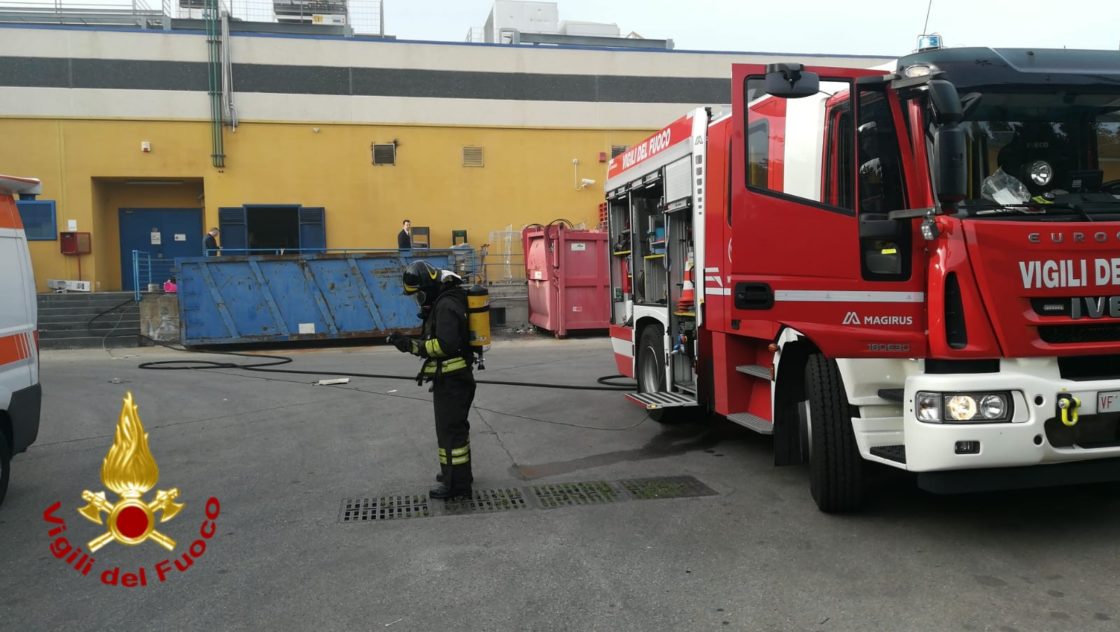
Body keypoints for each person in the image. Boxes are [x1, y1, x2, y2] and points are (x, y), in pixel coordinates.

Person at [387, 260, 475, 500]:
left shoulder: (446, 306)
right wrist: (408, 343)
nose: (420, 300)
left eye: (420, 295)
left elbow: (445, 345)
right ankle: (455, 474)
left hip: (452, 381)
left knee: (450, 433)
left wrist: (411, 346)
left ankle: (457, 486)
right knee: (454, 431)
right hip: (452, 379)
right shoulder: (446, 301)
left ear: (429, 287)